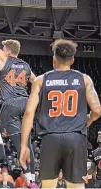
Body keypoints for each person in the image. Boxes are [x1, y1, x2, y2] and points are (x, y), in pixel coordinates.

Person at [19, 39, 101, 188]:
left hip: (50, 139)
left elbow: (29, 113)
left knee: (48, 185)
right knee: (76, 186)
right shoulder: (84, 79)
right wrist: (88, 120)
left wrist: (24, 146)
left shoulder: (40, 81)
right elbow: (97, 110)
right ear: (73, 60)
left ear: (54, 59)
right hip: (76, 138)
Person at [0, 11, 37, 185]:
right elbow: (35, 82)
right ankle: (32, 178)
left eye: (3, 47)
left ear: (7, 50)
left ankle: (28, 179)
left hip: (11, 105)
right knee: (27, 144)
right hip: (26, 103)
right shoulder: (26, 65)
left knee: (19, 145)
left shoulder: (4, 58)